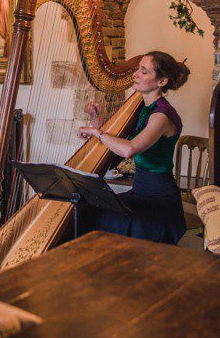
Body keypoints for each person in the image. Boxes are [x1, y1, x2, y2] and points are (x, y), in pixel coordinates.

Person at [78, 51, 190, 244]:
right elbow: (117, 144)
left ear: (161, 82)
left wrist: (97, 133)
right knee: (84, 209)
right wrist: (97, 122)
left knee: (101, 218)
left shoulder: (161, 115)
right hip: (140, 193)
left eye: (144, 72)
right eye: (138, 68)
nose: (136, 74)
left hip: (158, 203)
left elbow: (129, 149)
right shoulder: (143, 108)